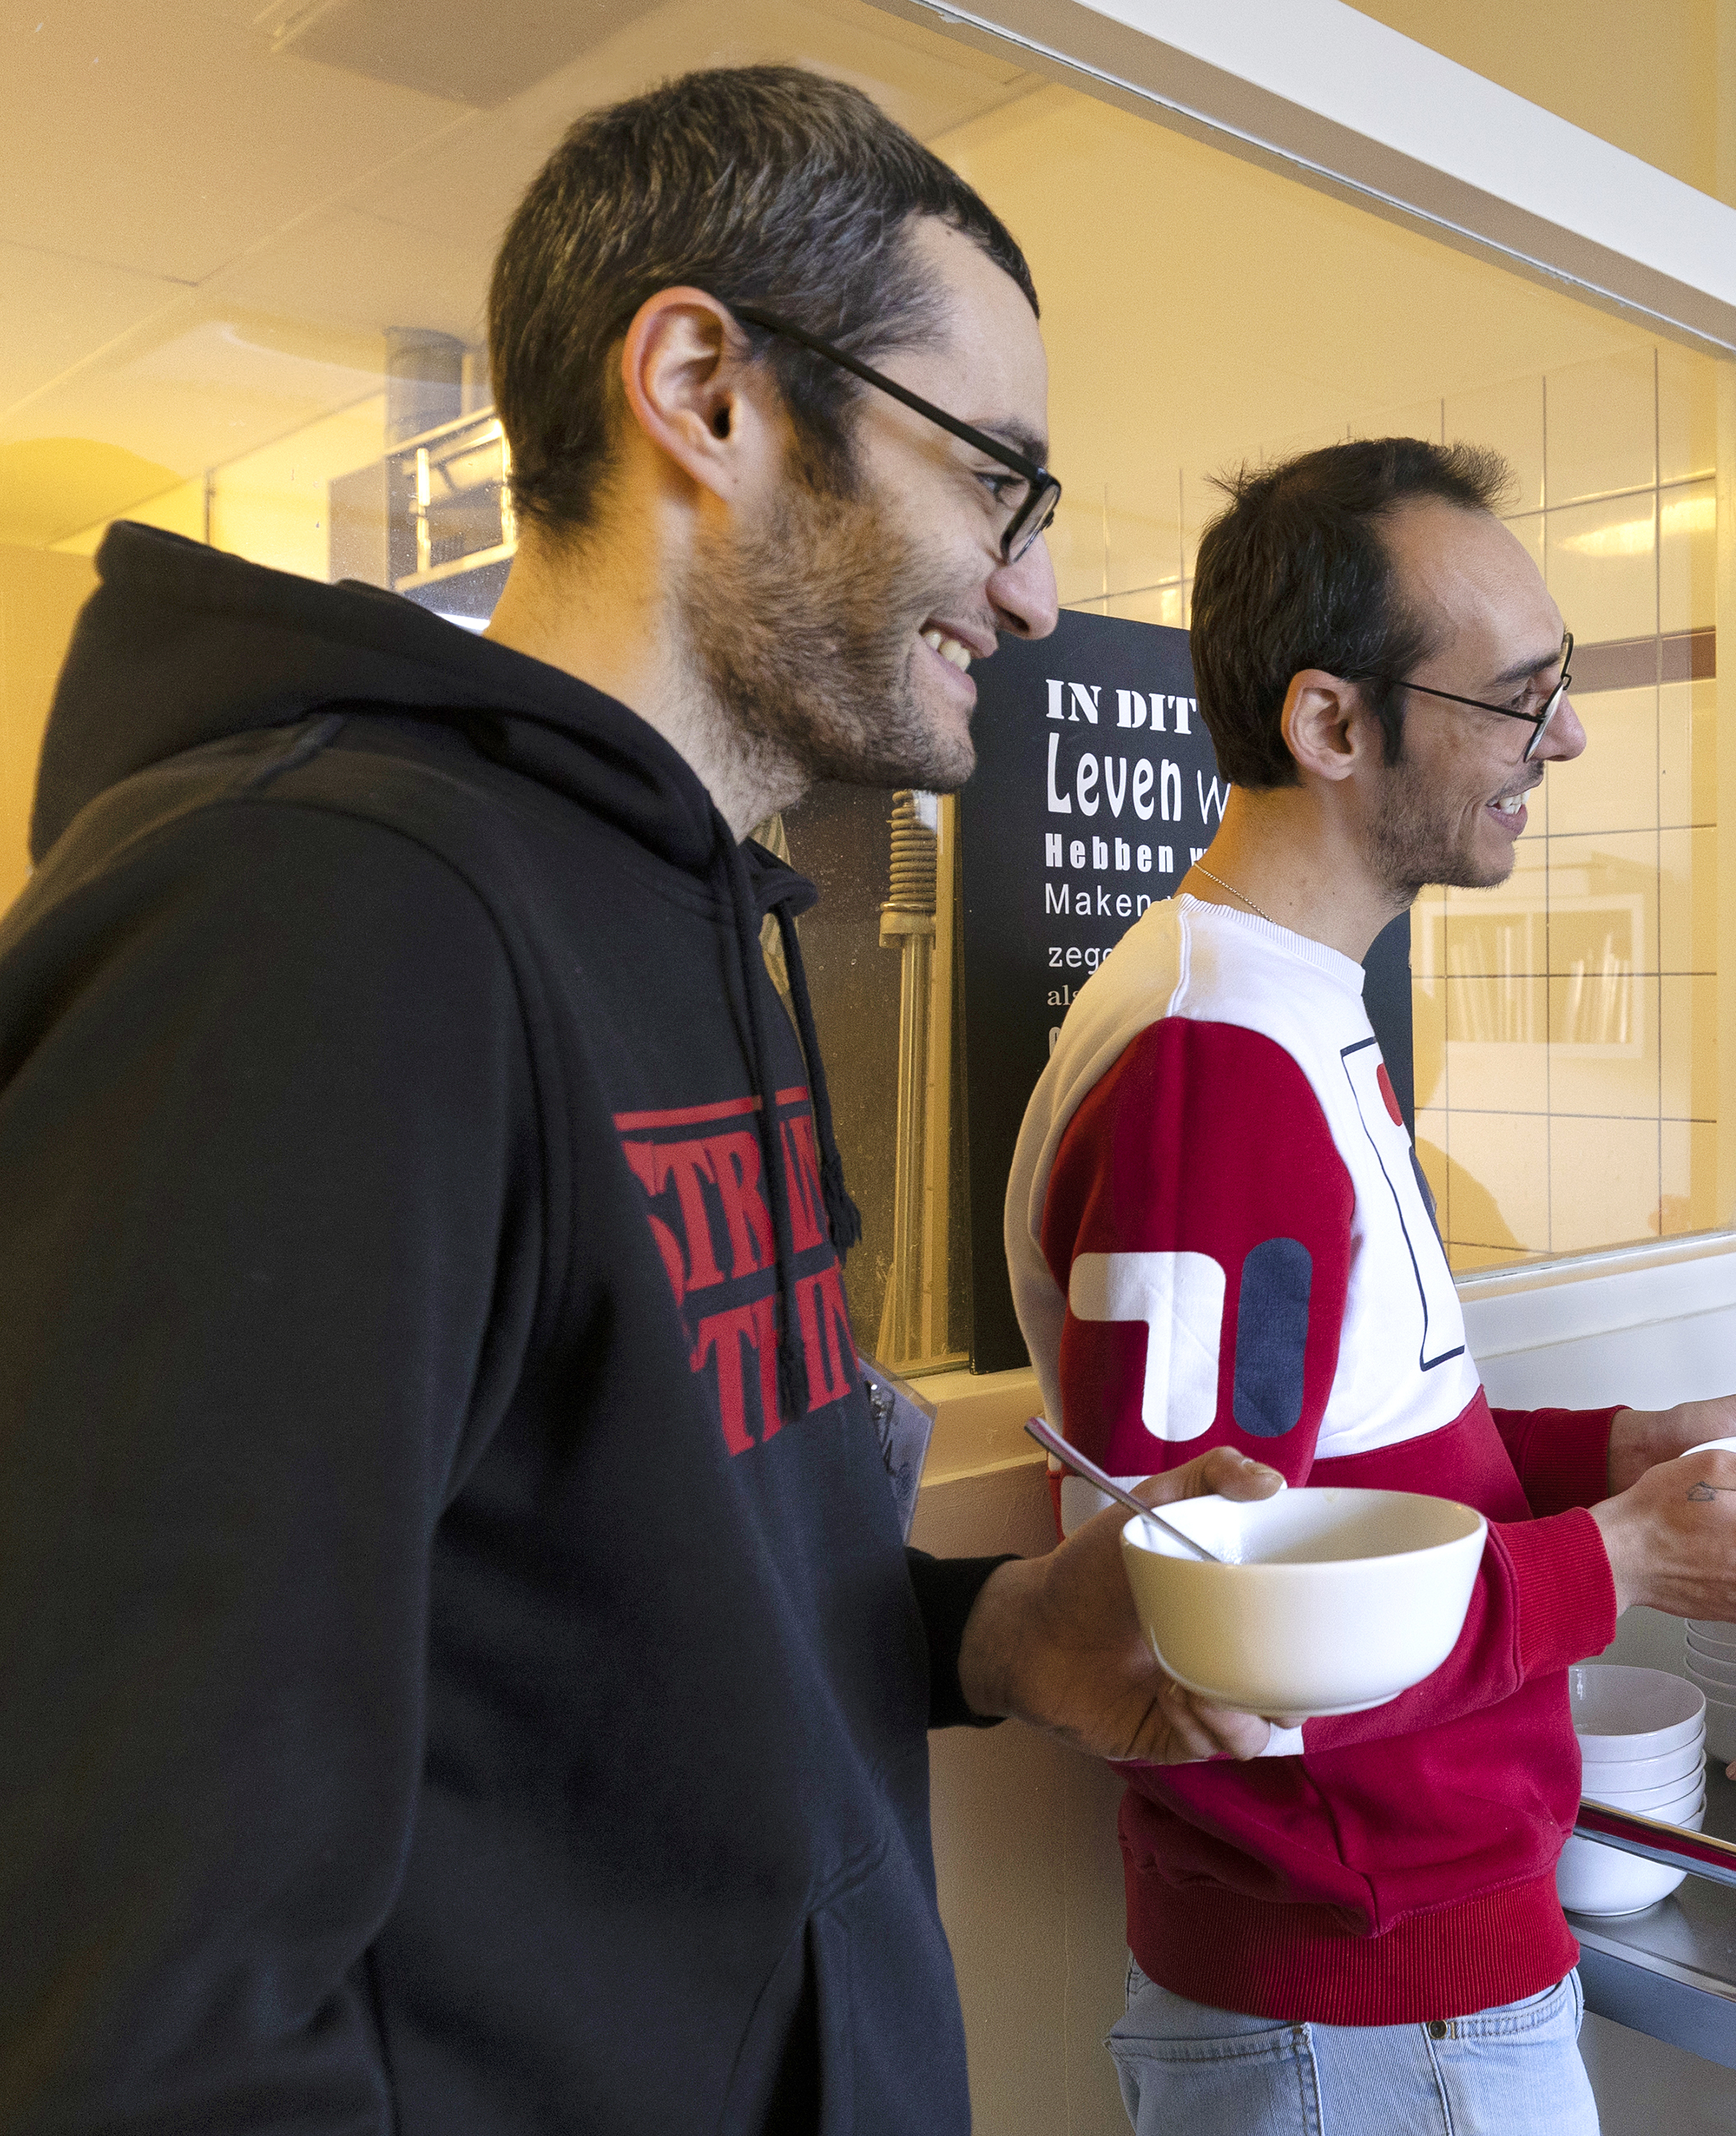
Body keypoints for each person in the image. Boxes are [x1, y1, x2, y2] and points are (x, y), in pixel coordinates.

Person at [0, 66, 1270, 2135]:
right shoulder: (314, 924)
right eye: (995, 483)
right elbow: (127, 1990)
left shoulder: (711, 915)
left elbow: (619, 1603)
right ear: (702, 386)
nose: (1031, 595)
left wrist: (994, 1630)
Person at [1004, 437, 1736, 2135]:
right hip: (1357, 2006)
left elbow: (1346, 1462)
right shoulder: (1224, 1072)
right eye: (1519, 698)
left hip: (1394, 1980)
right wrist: (1629, 1557)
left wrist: (1624, 1450)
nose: (1563, 739)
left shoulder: (1281, 1014)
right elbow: (1217, 1627)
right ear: (1332, 726)